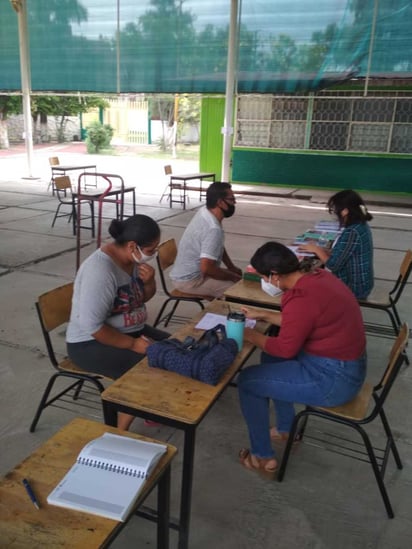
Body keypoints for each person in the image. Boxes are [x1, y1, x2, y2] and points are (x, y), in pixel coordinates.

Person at [237, 242, 367, 479]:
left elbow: (285, 348)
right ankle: (287, 429)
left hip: (334, 380)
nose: (265, 282)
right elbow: (302, 320)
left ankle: (263, 456)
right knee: (269, 358)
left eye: (264, 277)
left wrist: (248, 334)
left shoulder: (300, 297)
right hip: (345, 367)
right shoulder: (316, 277)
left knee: (247, 381)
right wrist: (264, 314)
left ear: (274, 276)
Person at [66, 214, 169, 431]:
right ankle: (117, 432)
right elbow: (93, 326)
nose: (153, 254)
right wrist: (132, 345)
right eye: (151, 250)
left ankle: (147, 407)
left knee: (174, 348)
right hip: (89, 343)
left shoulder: (130, 259)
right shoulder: (100, 271)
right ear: (132, 245)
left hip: (130, 331)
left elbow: (139, 298)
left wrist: (150, 283)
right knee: (147, 369)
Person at [170, 181, 242, 297]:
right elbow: (207, 268)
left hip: (187, 274)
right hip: (190, 281)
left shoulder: (206, 212)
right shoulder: (213, 228)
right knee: (236, 291)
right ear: (220, 202)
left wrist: (231, 267)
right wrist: (232, 276)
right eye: (231, 199)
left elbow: (217, 247)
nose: (234, 202)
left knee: (233, 279)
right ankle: (221, 313)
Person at [300, 189, 374, 299]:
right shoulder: (360, 225)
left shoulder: (352, 232)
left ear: (344, 211)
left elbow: (333, 265)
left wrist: (317, 250)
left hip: (354, 288)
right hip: (362, 283)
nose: (336, 215)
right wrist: (325, 251)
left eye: (336, 211)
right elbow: (345, 253)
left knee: (309, 285)